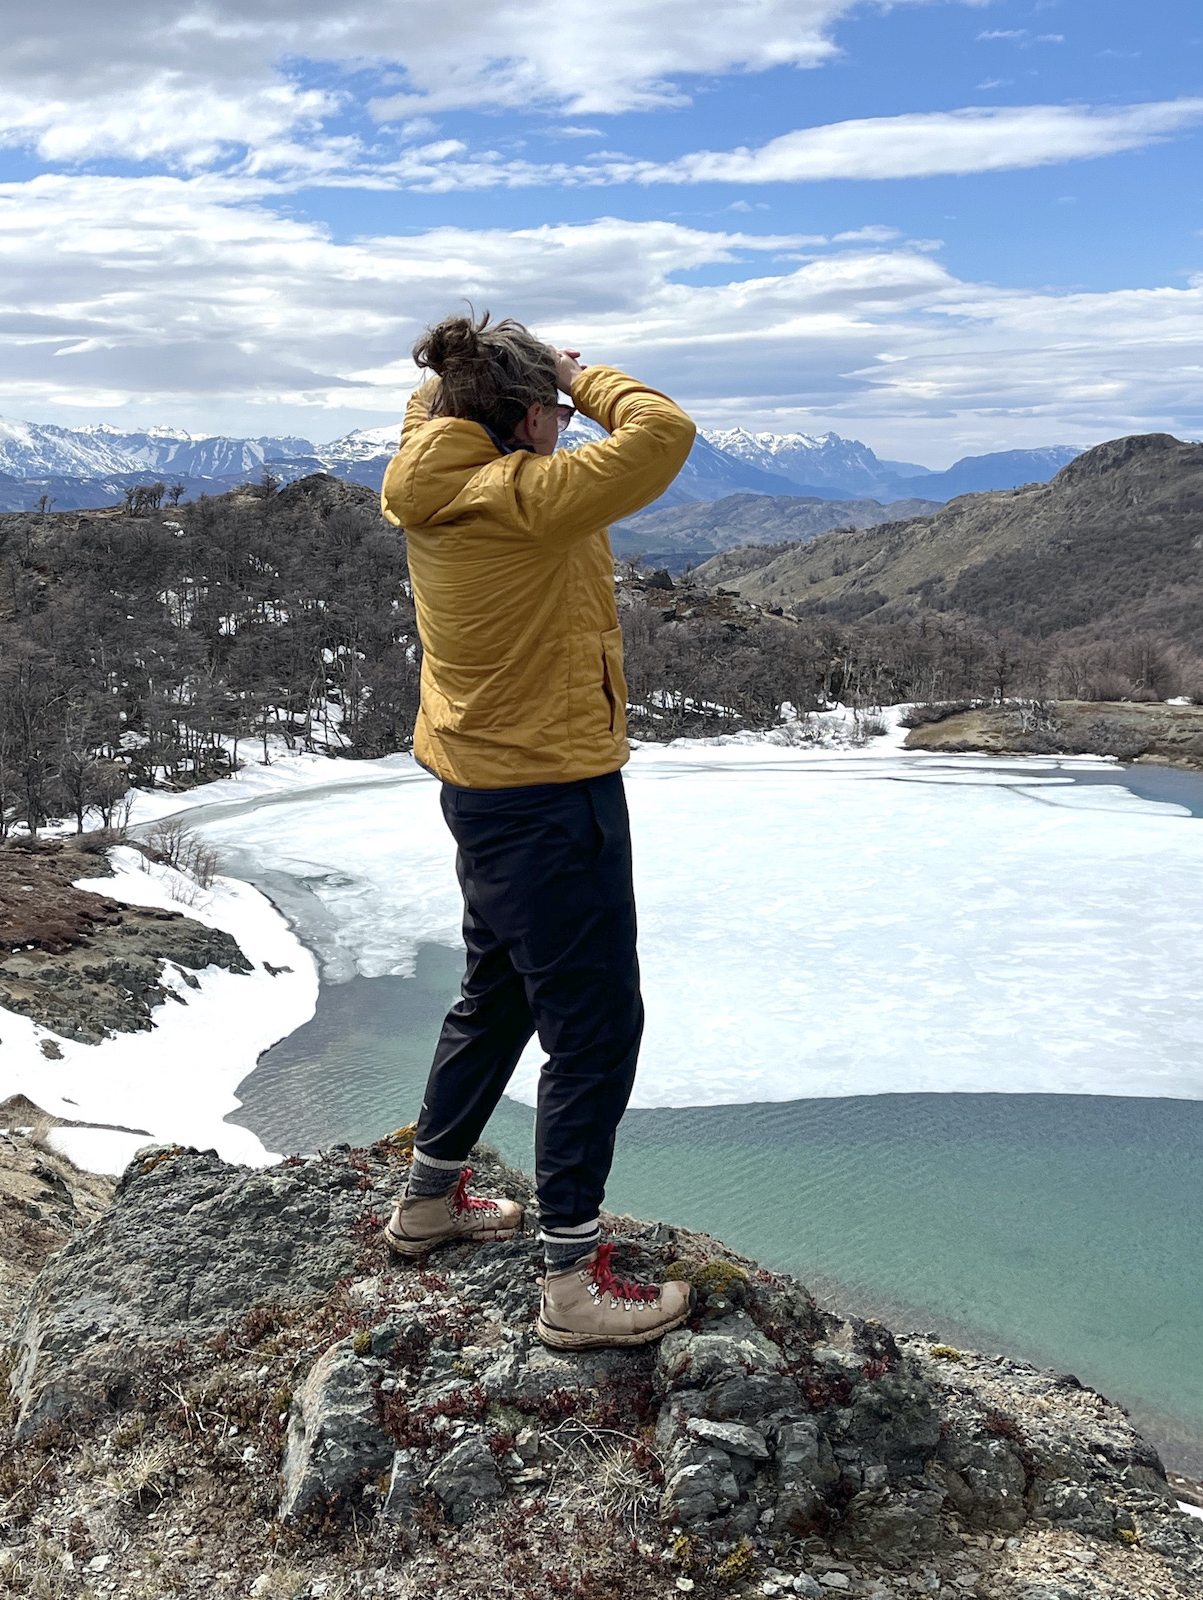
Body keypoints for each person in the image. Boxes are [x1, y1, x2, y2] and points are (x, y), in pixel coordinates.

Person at [375, 311, 697, 1350]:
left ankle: (429, 1201)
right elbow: (662, 433)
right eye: (554, 410)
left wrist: (511, 373)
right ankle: (571, 1282)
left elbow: (433, 398)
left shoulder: (435, 464)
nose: (567, 422)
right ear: (520, 418)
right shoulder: (523, 498)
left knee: (502, 990)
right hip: (555, 791)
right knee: (597, 1026)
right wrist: (582, 372)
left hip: (483, 785)